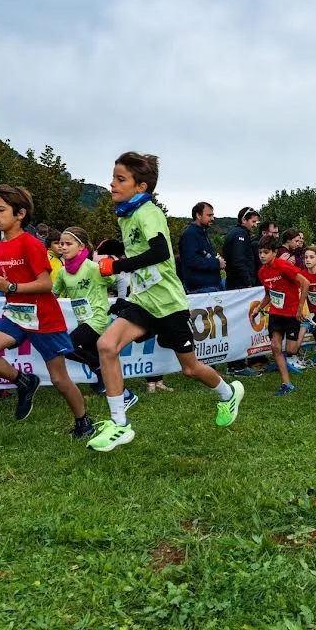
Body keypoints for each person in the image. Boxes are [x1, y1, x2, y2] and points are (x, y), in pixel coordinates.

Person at [88, 152, 244, 451]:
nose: (112, 184)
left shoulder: (149, 212)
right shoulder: (127, 215)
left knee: (190, 369)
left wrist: (117, 265)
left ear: (141, 187)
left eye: (120, 179)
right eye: (113, 177)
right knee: (106, 345)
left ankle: (228, 393)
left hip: (169, 305)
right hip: (144, 301)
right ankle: (120, 424)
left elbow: (161, 252)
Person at [0, 185, 95, 438]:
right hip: (15, 314)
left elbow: (46, 284)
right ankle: (24, 381)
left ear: (20, 214)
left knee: (60, 380)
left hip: (45, 318)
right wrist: (1, 285)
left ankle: (84, 422)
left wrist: (11, 286)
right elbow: (10, 284)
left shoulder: (31, 244)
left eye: (1, 209)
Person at [54, 227, 140, 406]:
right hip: (82, 319)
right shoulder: (63, 272)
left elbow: (120, 280)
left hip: (98, 318)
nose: (63, 247)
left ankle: (103, 375)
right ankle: (118, 391)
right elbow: (54, 294)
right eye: (61, 243)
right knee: (97, 355)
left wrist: (121, 300)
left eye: (68, 243)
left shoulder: (93, 267)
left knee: (68, 346)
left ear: (81, 246)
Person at [257, 234, 312, 395]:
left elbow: (305, 283)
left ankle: (304, 327)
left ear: (274, 252)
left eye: (266, 252)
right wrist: (258, 308)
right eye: (260, 252)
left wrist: (300, 307)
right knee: (275, 346)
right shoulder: (262, 272)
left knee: (292, 349)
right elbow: (268, 294)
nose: (262, 256)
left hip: (292, 312)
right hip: (275, 312)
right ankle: (287, 384)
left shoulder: (283, 266)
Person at [222, 206, 261, 377]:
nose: (255, 224)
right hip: (239, 286)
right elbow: (238, 261)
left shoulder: (239, 233)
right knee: (239, 325)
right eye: (253, 221)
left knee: (238, 324)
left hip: (238, 284)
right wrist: (249, 283)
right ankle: (236, 365)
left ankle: (237, 363)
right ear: (243, 220)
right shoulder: (240, 235)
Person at [177, 201, 224, 293]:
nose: (212, 218)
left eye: (212, 215)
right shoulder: (190, 234)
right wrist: (217, 263)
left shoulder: (202, 233)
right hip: (201, 288)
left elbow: (203, 255)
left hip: (210, 285)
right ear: (198, 215)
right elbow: (192, 260)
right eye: (209, 215)